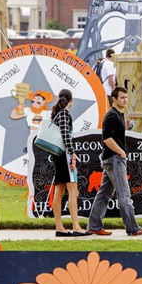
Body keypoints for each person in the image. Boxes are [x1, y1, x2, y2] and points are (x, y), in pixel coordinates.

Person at [87, 86, 142, 237]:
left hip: (112, 159)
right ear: (114, 99)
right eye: (122, 97)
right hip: (114, 159)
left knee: (104, 194)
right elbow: (107, 139)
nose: (125, 100)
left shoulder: (119, 115)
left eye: (126, 97)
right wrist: (121, 152)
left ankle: (94, 226)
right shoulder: (111, 116)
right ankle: (133, 228)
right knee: (124, 194)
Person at [50, 89, 91, 237]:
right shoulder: (65, 114)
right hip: (65, 156)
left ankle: (59, 226)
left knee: (59, 191)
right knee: (73, 191)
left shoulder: (56, 114)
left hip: (57, 155)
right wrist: (72, 152)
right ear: (71, 101)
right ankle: (76, 226)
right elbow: (66, 135)